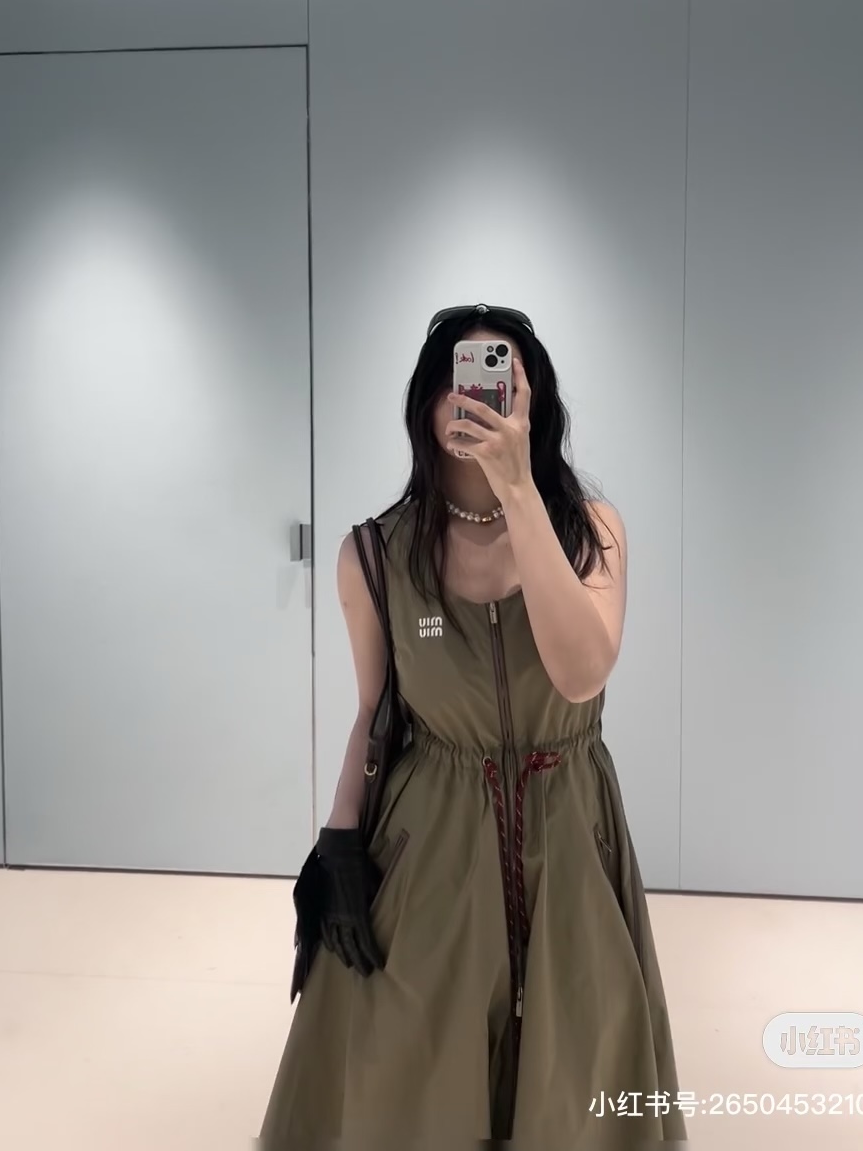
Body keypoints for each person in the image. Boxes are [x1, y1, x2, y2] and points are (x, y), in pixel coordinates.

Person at [259, 305, 686, 1148]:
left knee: (578, 1058)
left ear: (534, 404)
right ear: (424, 403)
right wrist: (338, 842)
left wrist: (518, 489)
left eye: (498, 383)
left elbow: (581, 673)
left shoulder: (592, 532)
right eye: (456, 382)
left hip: (572, 838)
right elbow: (374, 712)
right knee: (416, 1067)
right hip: (431, 847)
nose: (474, 400)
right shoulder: (374, 556)